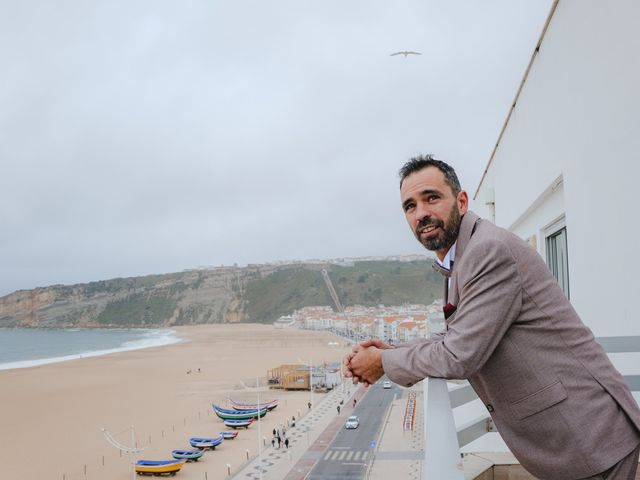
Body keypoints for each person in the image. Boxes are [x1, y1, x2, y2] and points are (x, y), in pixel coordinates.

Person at [343, 155, 640, 480]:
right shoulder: (463, 256)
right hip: (575, 439)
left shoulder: (488, 251)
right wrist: (389, 353)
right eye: (410, 206)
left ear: (461, 200)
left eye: (431, 198)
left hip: (588, 437)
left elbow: (458, 354)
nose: (422, 213)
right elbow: (454, 336)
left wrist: (382, 363)